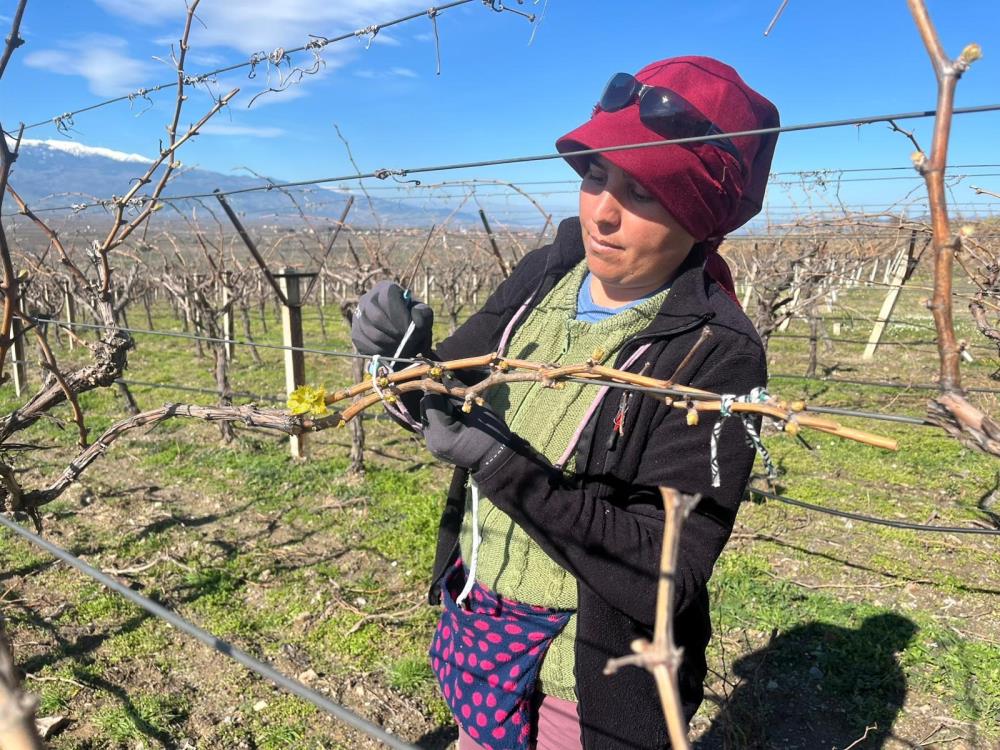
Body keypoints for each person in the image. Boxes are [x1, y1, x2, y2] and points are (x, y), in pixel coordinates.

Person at [352, 56, 779, 750]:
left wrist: (502, 465)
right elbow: (445, 399)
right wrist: (399, 361)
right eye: (595, 176)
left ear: (699, 215)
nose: (602, 213)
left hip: (586, 680)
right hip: (482, 623)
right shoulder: (547, 275)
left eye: (643, 192)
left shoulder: (714, 352)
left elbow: (666, 574)